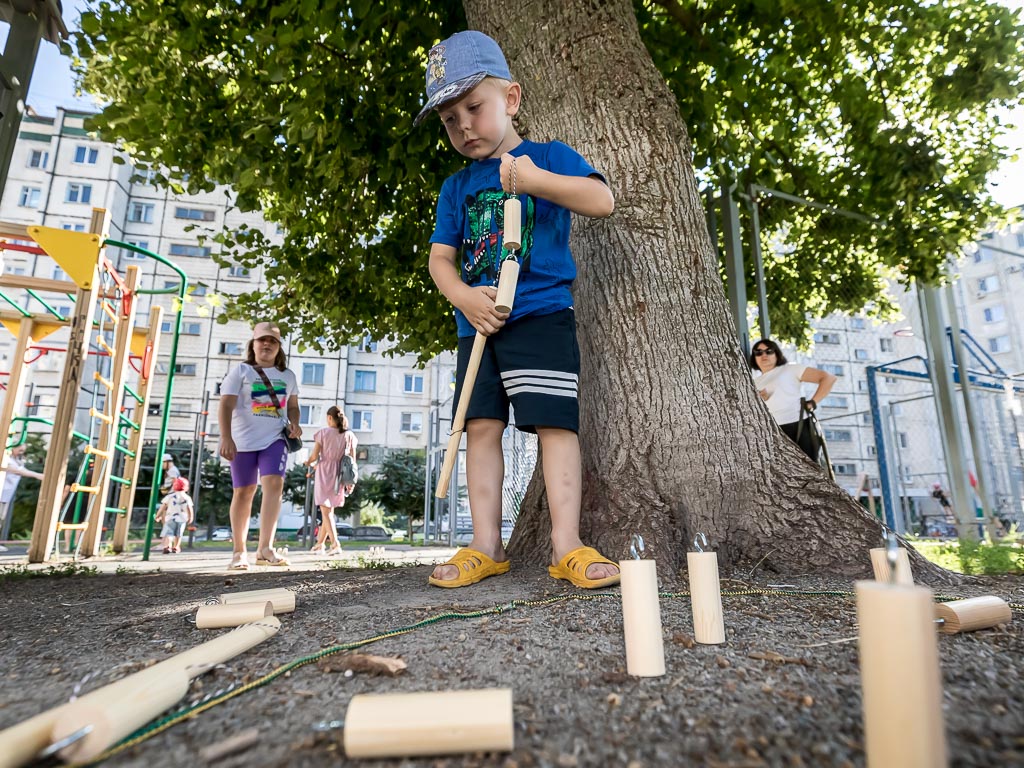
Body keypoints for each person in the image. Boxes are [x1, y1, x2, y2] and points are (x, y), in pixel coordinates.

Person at [417, 31, 619, 589]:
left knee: (555, 425)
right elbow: (440, 259)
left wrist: (534, 180)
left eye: (474, 108)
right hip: (475, 324)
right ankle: (486, 544)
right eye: (449, 119)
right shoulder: (456, 188)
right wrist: (461, 295)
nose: (464, 127)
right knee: (480, 427)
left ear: (511, 98)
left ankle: (566, 544)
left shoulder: (549, 157)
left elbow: (601, 200)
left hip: (541, 313)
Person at [218, 321, 301, 569]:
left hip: (274, 438)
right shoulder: (241, 372)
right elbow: (225, 405)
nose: (267, 344)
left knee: (274, 483)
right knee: (244, 492)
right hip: (242, 442)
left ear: (279, 348)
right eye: (262, 340)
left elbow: (293, 407)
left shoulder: (288, 376)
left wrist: (295, 423)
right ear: (253, 345)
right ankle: (239, 551)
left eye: (272, 341)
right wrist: (225, 437)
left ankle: (265, 548)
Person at [750, 338, 837, 461]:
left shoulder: (790, 369)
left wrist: (813, 402)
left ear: (777, 354)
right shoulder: (753, 382)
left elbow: (828, 378)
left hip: (797, 425)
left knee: (809, 469)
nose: (764, 355)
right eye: (758, 352)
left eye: (769, 351)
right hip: (770, 432)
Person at [303, 406, 358, 556]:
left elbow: (314, 456)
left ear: (329, 418)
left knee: (325, 511)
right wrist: (350, 482)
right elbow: (352, 460)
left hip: (324, 472)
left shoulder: (323, 433)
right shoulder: (349, 436)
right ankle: (319, 544)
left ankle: (335, 544)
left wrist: (307, 462)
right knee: (328, 511)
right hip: (340, 474)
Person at [0, 444, 44, 549]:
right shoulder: (6, 459)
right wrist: (37, 475)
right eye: (19, 450)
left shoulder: (17, 460)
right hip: (2, 492)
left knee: (2, 518)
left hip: (7, 494)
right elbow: (17, 471)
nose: (21, 452)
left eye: (23, 450)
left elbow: (23, 470)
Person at [155, 477, 194, 554]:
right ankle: (176, 547)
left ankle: (167, 546)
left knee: (169, 533)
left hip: (170, 518)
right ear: (186, 487)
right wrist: (191, 517)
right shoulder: (187, 498)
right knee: (178, 534)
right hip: (182, 519)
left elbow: (163, 506)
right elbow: (189, 508)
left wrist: (158, 515)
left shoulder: (170, 496)